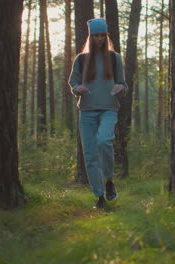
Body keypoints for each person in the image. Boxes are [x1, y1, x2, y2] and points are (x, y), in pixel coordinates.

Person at [69, 18, 127, 209]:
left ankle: (109, 181)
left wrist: (120, 87)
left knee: (104, 141)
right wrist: (79, 88)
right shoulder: (81, 59)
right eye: (96, 36)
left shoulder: (115, 58)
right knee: (91, 155)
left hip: (109, 108)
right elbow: (73, 84)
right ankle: (100, 197)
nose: (100, 39)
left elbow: (124, 85)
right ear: (91, 37)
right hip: (86, 111)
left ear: (106, 36)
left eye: (103, 35)